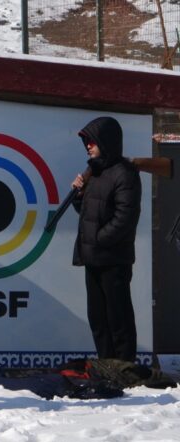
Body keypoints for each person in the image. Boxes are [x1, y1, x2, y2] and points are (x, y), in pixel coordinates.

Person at [71, 116, 141, 363]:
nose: (88, 145)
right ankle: (106, 365)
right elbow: (89, 213)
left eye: (92, 141)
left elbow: (125, 217)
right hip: (93, 257)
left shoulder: (124, 173)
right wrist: (79, 194)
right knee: (98, 318)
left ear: (107, 141)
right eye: (86, 142)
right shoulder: (95, 172)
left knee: (118, 317)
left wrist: (100, 239)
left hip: (113, 259)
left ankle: (124, 367)